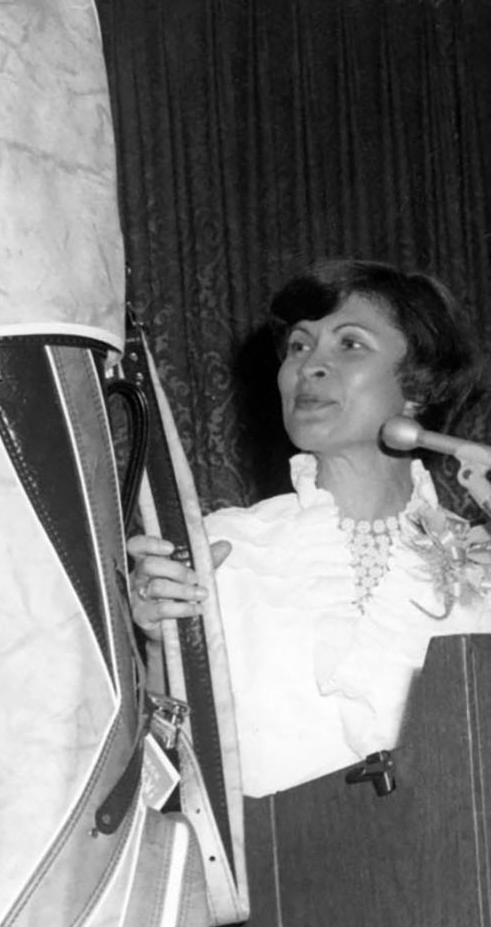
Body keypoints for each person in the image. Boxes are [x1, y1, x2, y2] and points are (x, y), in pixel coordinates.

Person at [129, 258, 491, 798]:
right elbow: (160, 789)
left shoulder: (481, 564)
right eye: (299, 346)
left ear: (419, 386)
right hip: (270, 875)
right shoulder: (217, 551)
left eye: (349, 345)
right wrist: (160, 648)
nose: (309, 367)